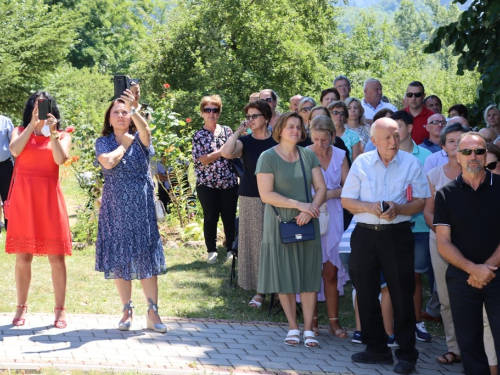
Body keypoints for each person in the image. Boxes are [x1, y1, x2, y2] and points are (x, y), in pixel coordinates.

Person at [341, 118, 430, 374]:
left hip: (397, 235)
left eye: (395, 135)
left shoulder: (411, 163)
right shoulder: (362, 162)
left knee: (402, 295)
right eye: (388, 137)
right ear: (374, 141)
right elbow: (347, 200)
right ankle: (376, 348)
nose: (393, 141)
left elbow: (421, 202)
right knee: (366, 292)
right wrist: (370, 207)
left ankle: (406, 354)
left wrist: (399, 208)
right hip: (365, 235)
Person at [95, 90, 167, 332]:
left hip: (141, 205)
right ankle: (126, 310)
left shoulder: (141, 139)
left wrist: (134, 108)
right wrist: (124, 144)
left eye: (125, 111)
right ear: (109, 118)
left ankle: (152, 312)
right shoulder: (102, 141)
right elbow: (107, 162)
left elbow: (145, 132)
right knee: (120, 258)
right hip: (115, 207)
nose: (120, 115)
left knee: (146, 256)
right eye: (116, 112)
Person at [256, 111, 326, 348]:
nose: (295, 130)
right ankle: (292, 327)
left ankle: (308, 329)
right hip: (280, 223)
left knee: (308, 276)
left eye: (298, 127)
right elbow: (266, 195)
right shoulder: (267, 157)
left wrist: (309, 210)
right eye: (290, 127)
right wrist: (299, 205)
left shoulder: (308, 155)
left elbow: (322, 188)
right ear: (279, 130)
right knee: (284, 276)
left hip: (308, 220)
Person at [434, 132, 500, 375]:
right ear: (457, 156)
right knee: (470, 346)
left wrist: (487, 269)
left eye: (479, 151)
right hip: (463, 279)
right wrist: (474, 270)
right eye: (467, 151)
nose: (474, 156)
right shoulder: (445, 194)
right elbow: (443, 243)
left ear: (485, 155)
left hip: (497, 276)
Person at [7, 92, 72, 328]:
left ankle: (60, 311)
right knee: (23, 256)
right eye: (36, 105)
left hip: (49, 199)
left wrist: (52, 133)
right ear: (30, 108)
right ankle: (21, 307)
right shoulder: (19, 130)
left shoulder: (62, 135)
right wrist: (32, 127)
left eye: (45, 106)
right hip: (24, 199)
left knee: (56, 256)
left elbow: (59, 159)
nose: (40, 109)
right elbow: (15, 150)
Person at [220, 100, 276, 308]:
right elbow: (226, 152)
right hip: (250, 197)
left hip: (275, 198)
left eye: (255, 116)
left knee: (274, 244)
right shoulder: (246, 141)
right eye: (248, 116)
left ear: (267, 118)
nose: (250, 120)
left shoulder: (277, 141)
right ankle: (260, 291)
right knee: (255, 244)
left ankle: (278, 286)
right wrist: (238, 131)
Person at [423, 123, 467, 365]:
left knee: (474, 295)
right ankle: (455, 348)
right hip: (439, 243)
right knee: (447, 297)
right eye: (451, 141)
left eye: (461, 140)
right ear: (443, 147)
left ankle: (478, 348)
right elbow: (428, 212)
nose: (456, 145)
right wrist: (443, 235)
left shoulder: (476, 172)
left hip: (472, 245)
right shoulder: (434, 175)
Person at [391, 111, 433, 344]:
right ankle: (396, 322)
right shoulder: (387, 154)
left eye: (398, 127)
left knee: (415, 276)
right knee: (394, 276)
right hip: (393, 226)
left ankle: (416, 320)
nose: (395, 133)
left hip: (418, 227)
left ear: (409, 127)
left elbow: (428, 193)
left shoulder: (425, 155)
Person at [307, 115, 349, 338]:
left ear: (333, 136)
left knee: (331, 271)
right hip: (310, 214)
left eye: (324, 140)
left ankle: (334, 322)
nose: (320, 144)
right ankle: (311, 320)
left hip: (333, 215)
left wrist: (326, 195)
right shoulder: (305, 154)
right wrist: (316, 200)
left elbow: (349, 188)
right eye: (315, 139)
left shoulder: (341, 156)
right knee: (311, 270)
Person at [192, 95, 239, 264]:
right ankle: (211, 250)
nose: (211, 113)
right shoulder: (198, 135)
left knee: (229, 216)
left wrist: (225, 151)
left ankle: (231, 249)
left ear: (219, 112)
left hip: (229, 183)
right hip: (207, 184)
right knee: (210, 216)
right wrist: (223, 151)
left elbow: (234, 152)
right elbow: (202, 159)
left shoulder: (227, 131)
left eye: (215, 110)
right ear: (202, 113)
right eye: (207, 110)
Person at [0, 115, 14, 230]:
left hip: (5, 166)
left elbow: (14, 144)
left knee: (8, 198)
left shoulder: (5, 121)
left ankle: (10, 228)